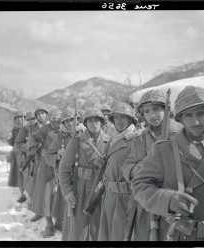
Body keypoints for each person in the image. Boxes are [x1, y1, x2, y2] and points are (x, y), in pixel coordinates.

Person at [132, 85, 204, 241]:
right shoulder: (162, 150)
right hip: (174, 234)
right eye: (188, 115)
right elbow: (140, 186)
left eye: (202, 114)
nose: (195, 121)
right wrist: (169, 199)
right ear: (179, 118)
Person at [121, 89, 182, 240]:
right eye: (147, 111)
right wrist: (143, 168)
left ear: (166, 109)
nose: (152, 115)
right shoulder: (140, 138)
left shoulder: (182, 134)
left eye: (156, 109)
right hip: (145, 204)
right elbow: (127, 167)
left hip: (173, 203)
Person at [59, 107, 111, 241]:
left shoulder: (110, 141)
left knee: (98, 228)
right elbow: (64, 168)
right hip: (79, 190)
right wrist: (68, 191)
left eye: (97, 120)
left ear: (102, 123)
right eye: (90, 120)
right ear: (85, 123)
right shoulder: (76, 142)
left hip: (101, 191)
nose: (94, 123)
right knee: (78, 230)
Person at [97, 102, 140, 241]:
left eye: (123, 117)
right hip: (110, 194)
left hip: (126, 196)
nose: (119, 121)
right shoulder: (114, 139)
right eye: (116, 118)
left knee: (121, 234)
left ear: (131, 119)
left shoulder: (138, 138)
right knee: (108, 232)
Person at [27, 108, 62, 237]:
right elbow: (32, 138)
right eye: (54, 121)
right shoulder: (45, 129)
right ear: (50, 121)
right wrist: (37, 150)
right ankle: (49, 225)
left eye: (59, 121)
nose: (57, 124)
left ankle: (59, 220)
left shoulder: (66, 128)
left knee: (61, 195)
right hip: (47, 166)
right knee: (46, 195)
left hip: (62, 165)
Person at [45, 107, 76, 233]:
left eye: (72, 120)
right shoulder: (60, 138)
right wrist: (57, 155)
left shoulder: (85, 134)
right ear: (63, 123)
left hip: (82, 174)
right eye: (67, 121)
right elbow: (48, 155)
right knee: (63, 199)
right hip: (65, 174)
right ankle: (61, 222)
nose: (70, 123)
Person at [14, 111, 38, 204]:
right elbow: (16, 144)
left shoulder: (43, 128)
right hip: (29, 159)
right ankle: (31, 200)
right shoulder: (25, 129)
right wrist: (28, 146)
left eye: (34, 119)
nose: (32, 121)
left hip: (42, 158)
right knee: (29, 180)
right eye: (30, 120)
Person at [7, 111, 24, 202]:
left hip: (26, 153)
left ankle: (30, 196)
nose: (19, 119)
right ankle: (22, 195)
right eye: (17, 118)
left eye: (21, 117)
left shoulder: (27, 128)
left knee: (27, 175)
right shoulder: (14, 130)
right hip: (17, 153)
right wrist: (9, 140)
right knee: (19, 175)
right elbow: (11, 142)